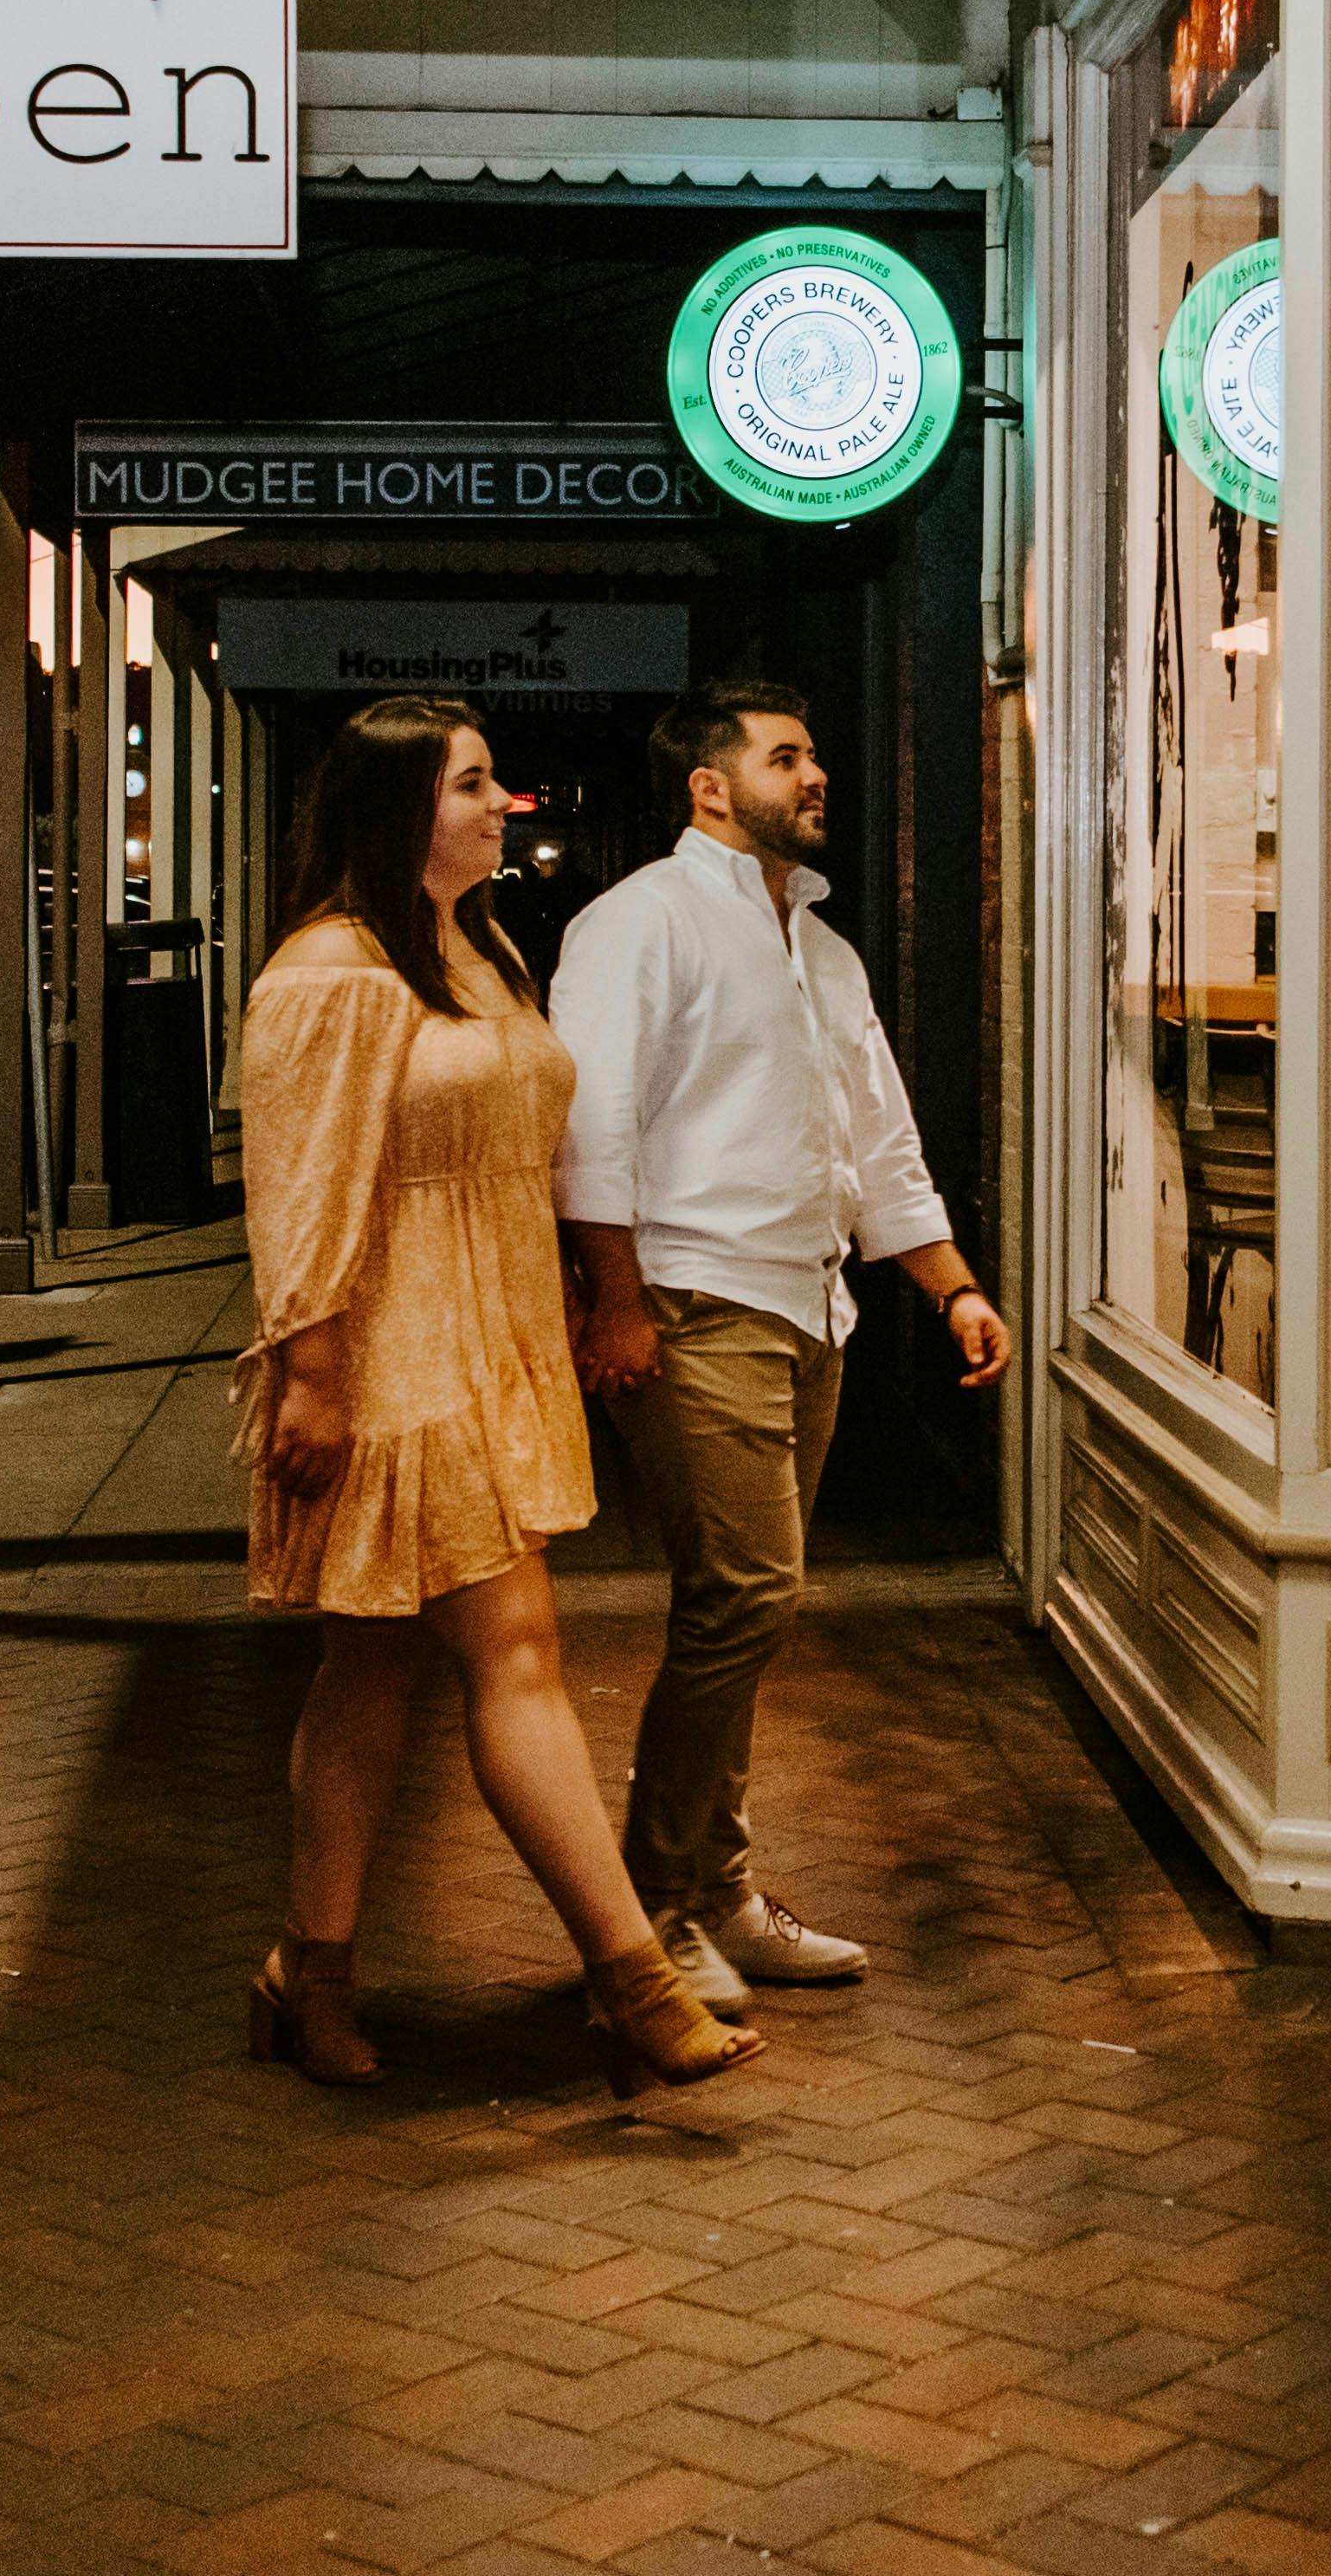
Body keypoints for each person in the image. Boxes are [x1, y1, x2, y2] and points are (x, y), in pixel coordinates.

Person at [235, 696, 758, 2099]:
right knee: (515, 1648)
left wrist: (590, 1294)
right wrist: (313, 1373)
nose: (497, 803)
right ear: (398, 807)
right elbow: (297, 1188)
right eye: (471, 785)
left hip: (491, 1335)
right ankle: (635, 1979)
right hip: (392, 1353)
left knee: (371, 1668)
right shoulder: (332, 974)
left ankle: (309, 1970)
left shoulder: (479, 950)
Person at [556, 678, 1011, 2009]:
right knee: (746, 1599)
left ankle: (718, 1892)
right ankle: (656, 1911)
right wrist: (616, 1300)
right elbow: (592, 1131)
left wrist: (949, 1285)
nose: (816, 776)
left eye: (815, 755)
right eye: (786, 757)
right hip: (696, 1302)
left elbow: (874, 1136)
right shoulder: (637, 923)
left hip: (813, 1307)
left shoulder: (822, 949)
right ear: (710, 786)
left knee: (743, 1613)